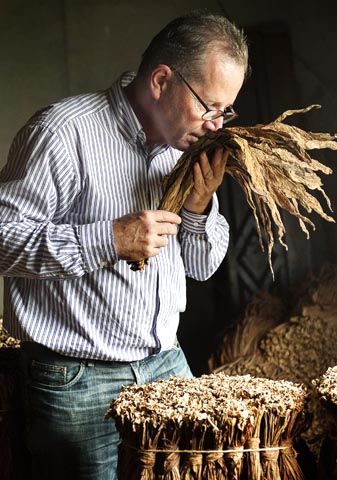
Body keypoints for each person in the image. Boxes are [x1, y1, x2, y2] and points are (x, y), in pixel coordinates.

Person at [0, 10, 249, 480]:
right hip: (76, 380)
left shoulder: (186, 144)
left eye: (226, 111)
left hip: (166, 363)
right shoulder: (62, 133)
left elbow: (202, 266)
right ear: (161, 81)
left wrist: (197, 208)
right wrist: (110, 239)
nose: (217, 125)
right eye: (210, 106)